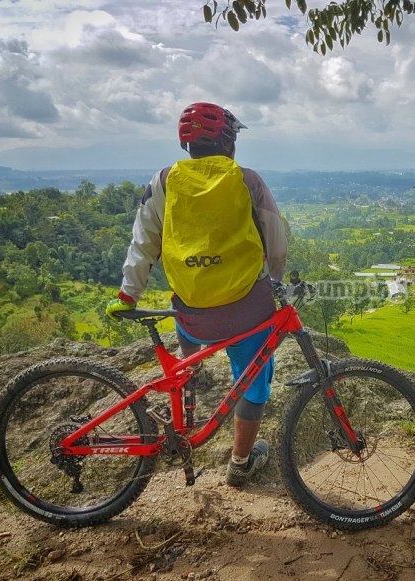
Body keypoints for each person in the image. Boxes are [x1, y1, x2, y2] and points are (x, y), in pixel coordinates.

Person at [106, 102, 287, 487]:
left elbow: (144, 243)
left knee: (187, 321)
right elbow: (276, 241)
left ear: (186, 144)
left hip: (191, 315)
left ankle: (192, 370)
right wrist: (277, 279)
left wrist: (128, 294)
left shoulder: (165, 181)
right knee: (254, 381)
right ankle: (240, 463)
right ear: (229, 143)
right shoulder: (247, 179)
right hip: (246, 312)